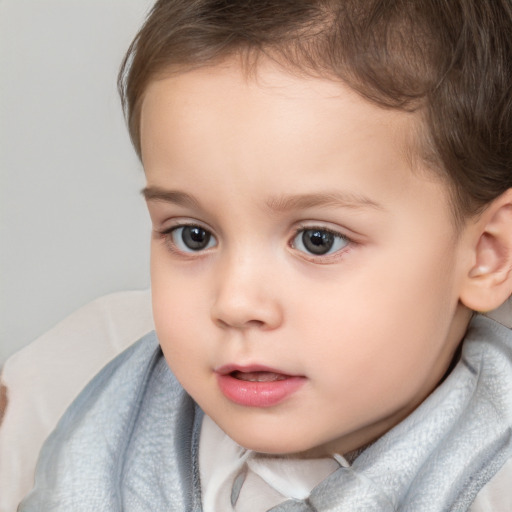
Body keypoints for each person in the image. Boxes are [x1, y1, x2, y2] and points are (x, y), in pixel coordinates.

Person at [19, 1, 512, 510]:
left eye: (317, 240)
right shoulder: (66, 404)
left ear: (486, 254)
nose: (234, 303)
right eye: (193, 235)